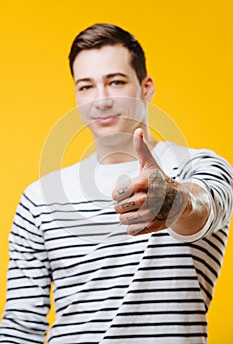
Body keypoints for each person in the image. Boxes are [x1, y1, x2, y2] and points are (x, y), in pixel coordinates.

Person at [0, 23, 232, 344]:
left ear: (146, 87)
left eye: (116, 82)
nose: (101, 100)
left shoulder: (200, 166)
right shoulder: (38, 198)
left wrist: (174, 201)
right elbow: (20, 327)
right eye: (86, 86)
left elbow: (208, 205)